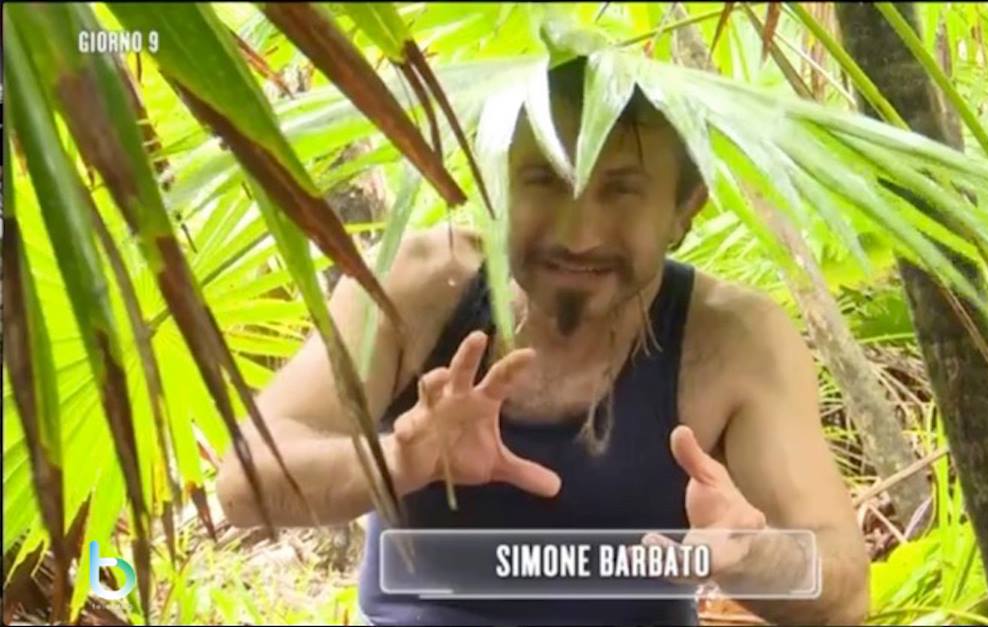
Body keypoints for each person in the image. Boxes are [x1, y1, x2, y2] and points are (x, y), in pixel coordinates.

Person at [215, 56, 868, 626]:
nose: (577, 234)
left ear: (684, 210)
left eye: (620, 190)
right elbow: (243, 484)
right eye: (545, 180)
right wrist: (399, 461)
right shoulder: (414, 288)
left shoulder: (733, 340)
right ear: (496, 183)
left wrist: (753, 558)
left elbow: (845, 586)